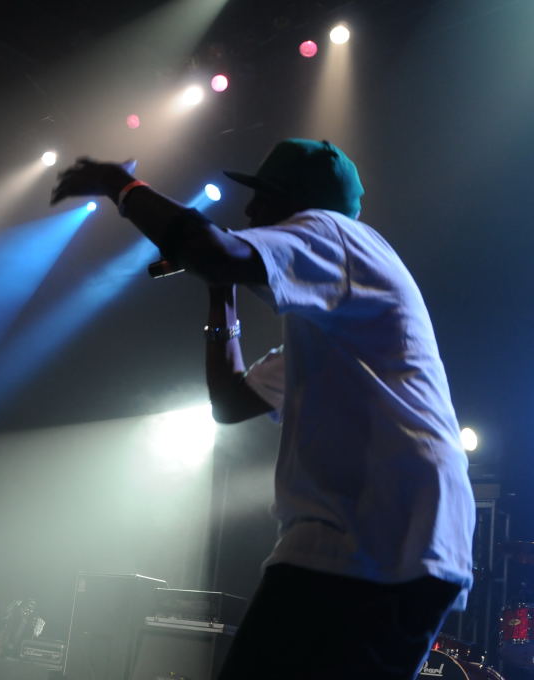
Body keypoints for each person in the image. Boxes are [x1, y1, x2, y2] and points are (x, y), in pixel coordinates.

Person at [51, 139, 474, 679]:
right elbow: (230, 403)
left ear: (300, 204)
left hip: (370, 531)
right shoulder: (331, 328)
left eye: (264, 196)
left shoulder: (335, 233)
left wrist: (122, 187)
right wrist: (220, 292)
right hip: (400, 535)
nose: (250, 212)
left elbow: (212, 250)